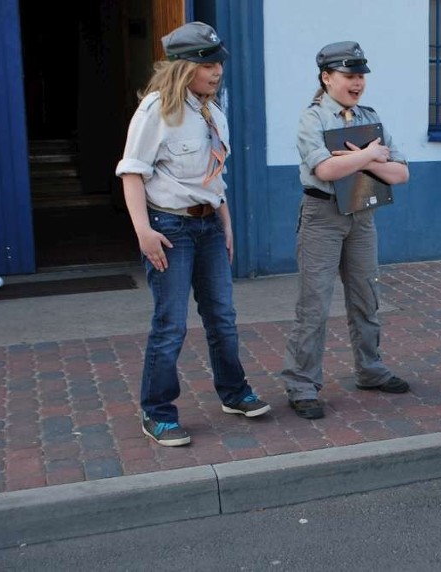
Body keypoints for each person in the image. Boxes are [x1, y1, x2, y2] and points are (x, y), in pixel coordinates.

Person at [115, 21, 270, 447]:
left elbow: (214, 179)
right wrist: (143, 232)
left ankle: (234, 392)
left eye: (218, 62)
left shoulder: (212, 110)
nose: (216, 71)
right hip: (169, 228)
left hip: (208, 225)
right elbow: (131, 173)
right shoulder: (155, 111)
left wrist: (227, 225)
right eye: (206, 64)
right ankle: (157, 413)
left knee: (222, 316)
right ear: (183, 67)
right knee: (171, 325)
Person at [280, 41, 410, 420]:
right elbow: (325, 171)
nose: (358, 83)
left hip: (362, 214)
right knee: (314, 305)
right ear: (326, 77)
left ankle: (370, 369)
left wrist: (355, 159)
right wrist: (371, 155)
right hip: (322, 216)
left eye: (360, 76)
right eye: (349, 76)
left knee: (366, 298)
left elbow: (401, 173)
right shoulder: (314, 119)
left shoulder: (370, 117)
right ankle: (302, 384)